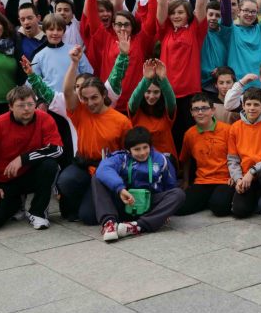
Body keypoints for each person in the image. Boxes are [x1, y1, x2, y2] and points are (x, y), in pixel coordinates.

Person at [57, 46, 133, 223]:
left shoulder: (121, 121)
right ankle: (85, 196)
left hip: (107, 169)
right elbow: (67, 91)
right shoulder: (80, 111)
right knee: (65, 181)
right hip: (83, 165)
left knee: (88, 217)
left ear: (104, 94)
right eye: (85, 98)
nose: (90, 103)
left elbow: (128, 154)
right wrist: (74, 63)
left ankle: (97, 198)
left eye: (94, 97)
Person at [0, 85, 63, 232]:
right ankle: (15, 204)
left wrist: (23, 159)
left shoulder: (44, 118)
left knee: (50, 165)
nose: (26, 109)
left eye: (30, 104)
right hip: (2, 181)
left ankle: (38, 212)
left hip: (28, 174)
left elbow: (56, 149)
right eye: (21, 105)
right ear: (10, 107)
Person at [94, 126, 185, 241]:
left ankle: (136, 227)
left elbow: (170, 186)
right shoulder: (122, 158)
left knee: (178, 194)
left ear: (150, 146)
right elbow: (103, 169)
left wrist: (165, 211)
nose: (142, 153)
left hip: (149, 205)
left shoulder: (161, 159)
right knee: (97, 177)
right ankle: (109, 224)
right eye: (137, 149)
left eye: (145, 147)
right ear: (129, 150)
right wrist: (120, 189)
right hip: (125, 202)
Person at [156, 0, 209, 149]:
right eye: (173, 13)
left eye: (180, 12)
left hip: (190, 94)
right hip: (167, 92)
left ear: (187, 14)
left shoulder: (195, 31)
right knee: (169, 138)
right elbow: (161, 4)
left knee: (190, 138)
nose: (176, 16)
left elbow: (201, 4)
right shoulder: (165, 31)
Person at [227, 86, 261, 218]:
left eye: (256, 104)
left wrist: (252, 171)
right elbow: (232, 159)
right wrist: (238, 179)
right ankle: (255, 202)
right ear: (243, 106)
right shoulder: (235, 128)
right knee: (239, 211)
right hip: (245, 177)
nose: (252, 108)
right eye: (248, 104)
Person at [177, 93, 233, 216]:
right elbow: (185, 159)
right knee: (180, 208)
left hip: (224, 180)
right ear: (191, 113)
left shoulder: (227, 130)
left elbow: (236, 156)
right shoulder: (189, 134)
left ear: (212, 111)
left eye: (204, 108)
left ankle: (214, 199)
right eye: (196, 109)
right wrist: (186, 181)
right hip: (202, 181)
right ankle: (209, 199)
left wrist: (235, 176)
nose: (200, 112)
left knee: (219, 208)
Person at [127, 59, 177, 160]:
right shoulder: (136, 110)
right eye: (148, 91)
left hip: (165, 160)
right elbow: (134, 99)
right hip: (141, 159)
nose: (151, 96)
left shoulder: (166, 111)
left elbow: (171, 100)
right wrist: (145, 79)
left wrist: (163, 80)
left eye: (156, 92)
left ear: (161, 93)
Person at [31, 13, 93, 93]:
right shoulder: (39, 56)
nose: (55, 33)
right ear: (45, 31)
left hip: (75, 97)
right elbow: (33, 83)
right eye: (51, 29)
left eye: (59, 29)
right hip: (52, 99)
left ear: (64, 31)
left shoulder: (75, 51)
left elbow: (88, 75)